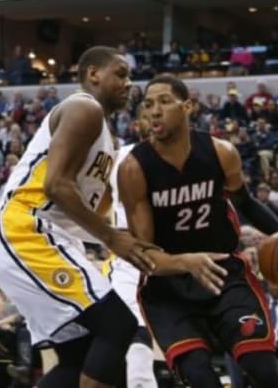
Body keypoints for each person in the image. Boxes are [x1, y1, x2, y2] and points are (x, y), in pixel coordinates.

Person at [0, 47, 225, 388]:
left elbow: (95, 214)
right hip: (24, 228)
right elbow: (56, 185)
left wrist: (147, 246)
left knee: (79, 356)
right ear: (93, 73)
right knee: (118, 325)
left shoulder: (107, 138)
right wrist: (112, 238)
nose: (129, 84)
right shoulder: (85, 108)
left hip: (42, 234)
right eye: (121, 74)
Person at [118, 74, 278, 387]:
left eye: (164, 102)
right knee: (201, 376)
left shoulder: (221, 152)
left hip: (224, 275)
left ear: (187, 106)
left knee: (264, 369)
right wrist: (187, 262)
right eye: (148, 105)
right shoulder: (134, 168)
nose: (154, 111)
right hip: (169, 289)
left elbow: (246, 203)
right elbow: (145, 255)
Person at [102, 110, 158, 387]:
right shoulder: (119, 157)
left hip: (174, 259)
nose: (154, 120)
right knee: (133, 327)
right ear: (138, 125)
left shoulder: (186, 160)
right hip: (131, 258)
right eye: (149, 114)